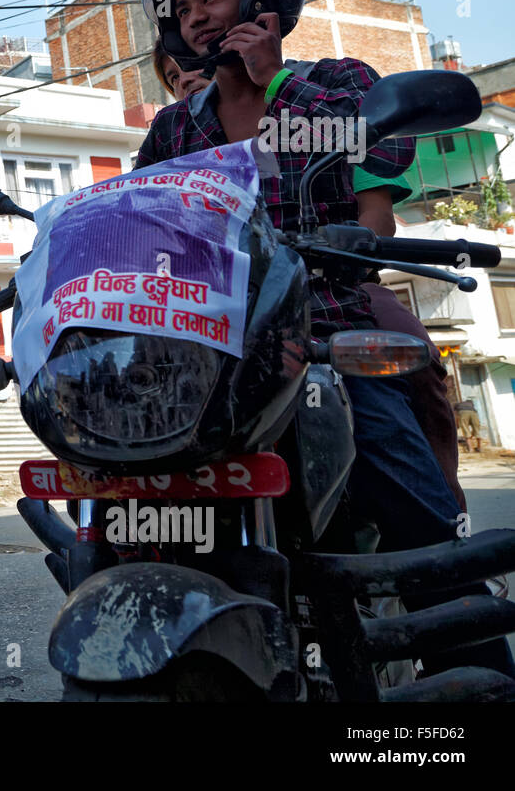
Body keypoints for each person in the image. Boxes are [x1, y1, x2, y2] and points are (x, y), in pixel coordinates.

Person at [136, 0, 513, 677]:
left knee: (421, 522)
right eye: (181, 10)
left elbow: (375, 214)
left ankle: (476, 682)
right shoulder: (176, 126)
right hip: (210, 358)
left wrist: (273, 78)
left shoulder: (337, 83)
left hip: (321, 341)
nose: (196, 17)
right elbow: (135, 217)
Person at [154, 43, 466, 511]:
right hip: (216, 310)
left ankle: (446, 542)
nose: (185, 80)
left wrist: (343, 250)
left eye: (192, 66)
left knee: (408, 361)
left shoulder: (328, 88)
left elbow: (376, 217)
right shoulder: (175, 134)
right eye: (173, 76)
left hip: (333, 287)